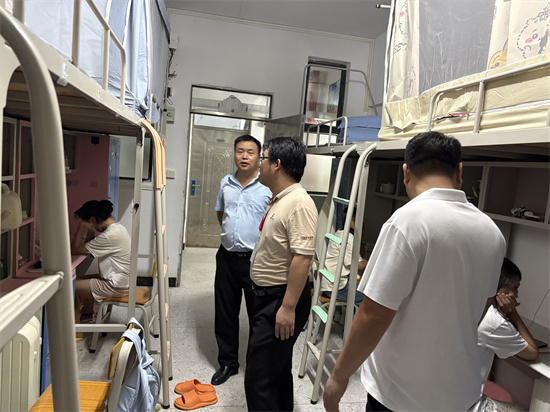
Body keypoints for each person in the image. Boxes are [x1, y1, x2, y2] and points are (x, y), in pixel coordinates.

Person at [323, 131, 506, 411]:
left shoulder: (407, 222)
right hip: (460, 393)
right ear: (459, 172)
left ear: (406, 172)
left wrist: (338, 376)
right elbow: (482, 308)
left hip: (401, 395)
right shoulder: (493, 233)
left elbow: (373, 315)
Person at [245, 137, 318, 411]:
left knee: (259, 380)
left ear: (276, 164)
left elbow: (303, 258)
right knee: (276, 371)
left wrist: (287, 308)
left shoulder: (299, 203)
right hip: (268, 297)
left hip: (280, 300)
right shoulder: (280, 199)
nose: (258, 164)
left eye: (262, 158)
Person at [211, 134, 272, 385]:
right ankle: (228, 363)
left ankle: (257, 366)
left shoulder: (267, 186)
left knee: (258, 315)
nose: (244, 156)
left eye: (250, 152)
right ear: (234, 154)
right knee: (225, 312)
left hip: (256, 260)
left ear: (259, 157)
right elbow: (221, 214)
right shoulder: (226, 182)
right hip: (226, 257)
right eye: (240, 151)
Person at [474, 258, 538, 411]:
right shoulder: (493, 321)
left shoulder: (472, 303)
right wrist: (512, 312)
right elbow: (532, 352)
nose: (515, 294)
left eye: (516, 288)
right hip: (467, 402)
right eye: (508, 287)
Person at [71, 200, 131, 339]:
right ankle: (81, 319)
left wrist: (81, 226)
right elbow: (88, 246)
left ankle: (77, 331)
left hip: (114, 286)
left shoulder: (109, 236)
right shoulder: (118, 228)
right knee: (75, 280)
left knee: (69, 285)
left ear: (92, 220)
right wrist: (90, 228)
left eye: (87, 222)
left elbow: (75, 249)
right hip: (122, 281)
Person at [321, 209, 367, 306]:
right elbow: (358, 265)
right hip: (338, 288)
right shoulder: (348, 238)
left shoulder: (339, 233)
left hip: (328, 285)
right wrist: (374, 262)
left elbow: (358, 256)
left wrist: (361, 235)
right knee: (368, 298)